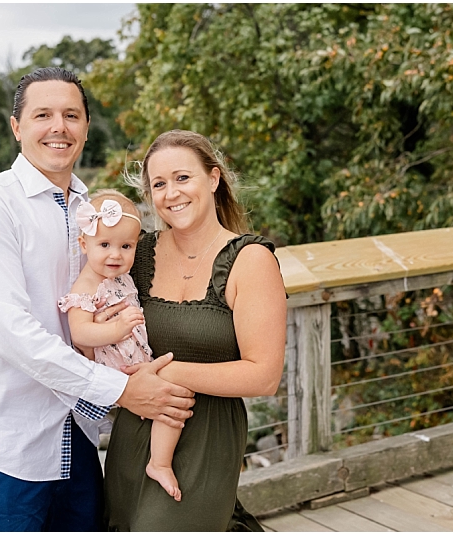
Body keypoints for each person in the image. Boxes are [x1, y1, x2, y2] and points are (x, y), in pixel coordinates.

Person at [0, 68, 195, 532]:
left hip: (76, 438)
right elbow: (10, 334)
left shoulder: (95, 212)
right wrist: (122, 390)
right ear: (16, 127)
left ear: (86, 128)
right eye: (43, 115)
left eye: (71, 115)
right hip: (5, 446)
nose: (59, 127)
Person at [101, 130, 287, 531]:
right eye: (159, 184)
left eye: (182, 178)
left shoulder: (249, 260)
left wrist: (168, 373)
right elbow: (92, 308)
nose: (171, 193)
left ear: (214, 179)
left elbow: (265, 375)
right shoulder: (136, 255)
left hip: (207, 437)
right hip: (136, 431)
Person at [59, 190, 183, 502]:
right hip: (115, 369)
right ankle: (160, 463)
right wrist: (116, 329)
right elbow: (80, 334)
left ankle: (157, 462)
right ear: (84, 245)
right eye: (104, 245)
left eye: (125, 246)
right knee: (170, 401)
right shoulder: (85, 288)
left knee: (170, 401)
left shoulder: (120, 276)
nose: (115, 255)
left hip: (134, 358)